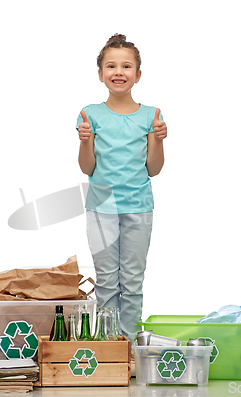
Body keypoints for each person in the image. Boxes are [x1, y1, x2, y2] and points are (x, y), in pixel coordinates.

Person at [76, 34, 167, 342]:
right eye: (110, 65)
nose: (119, 72)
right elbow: (87, 168)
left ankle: (128, 346)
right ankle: (106, 347)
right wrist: (85, 141)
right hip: (101, 208)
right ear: (100, 73)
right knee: (106, 281)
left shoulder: (151, 115)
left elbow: (153, 169)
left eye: (126, 66)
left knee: (131, 281)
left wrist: (159, 139)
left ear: (138, 74)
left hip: (139, 207)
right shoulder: (90, 114)